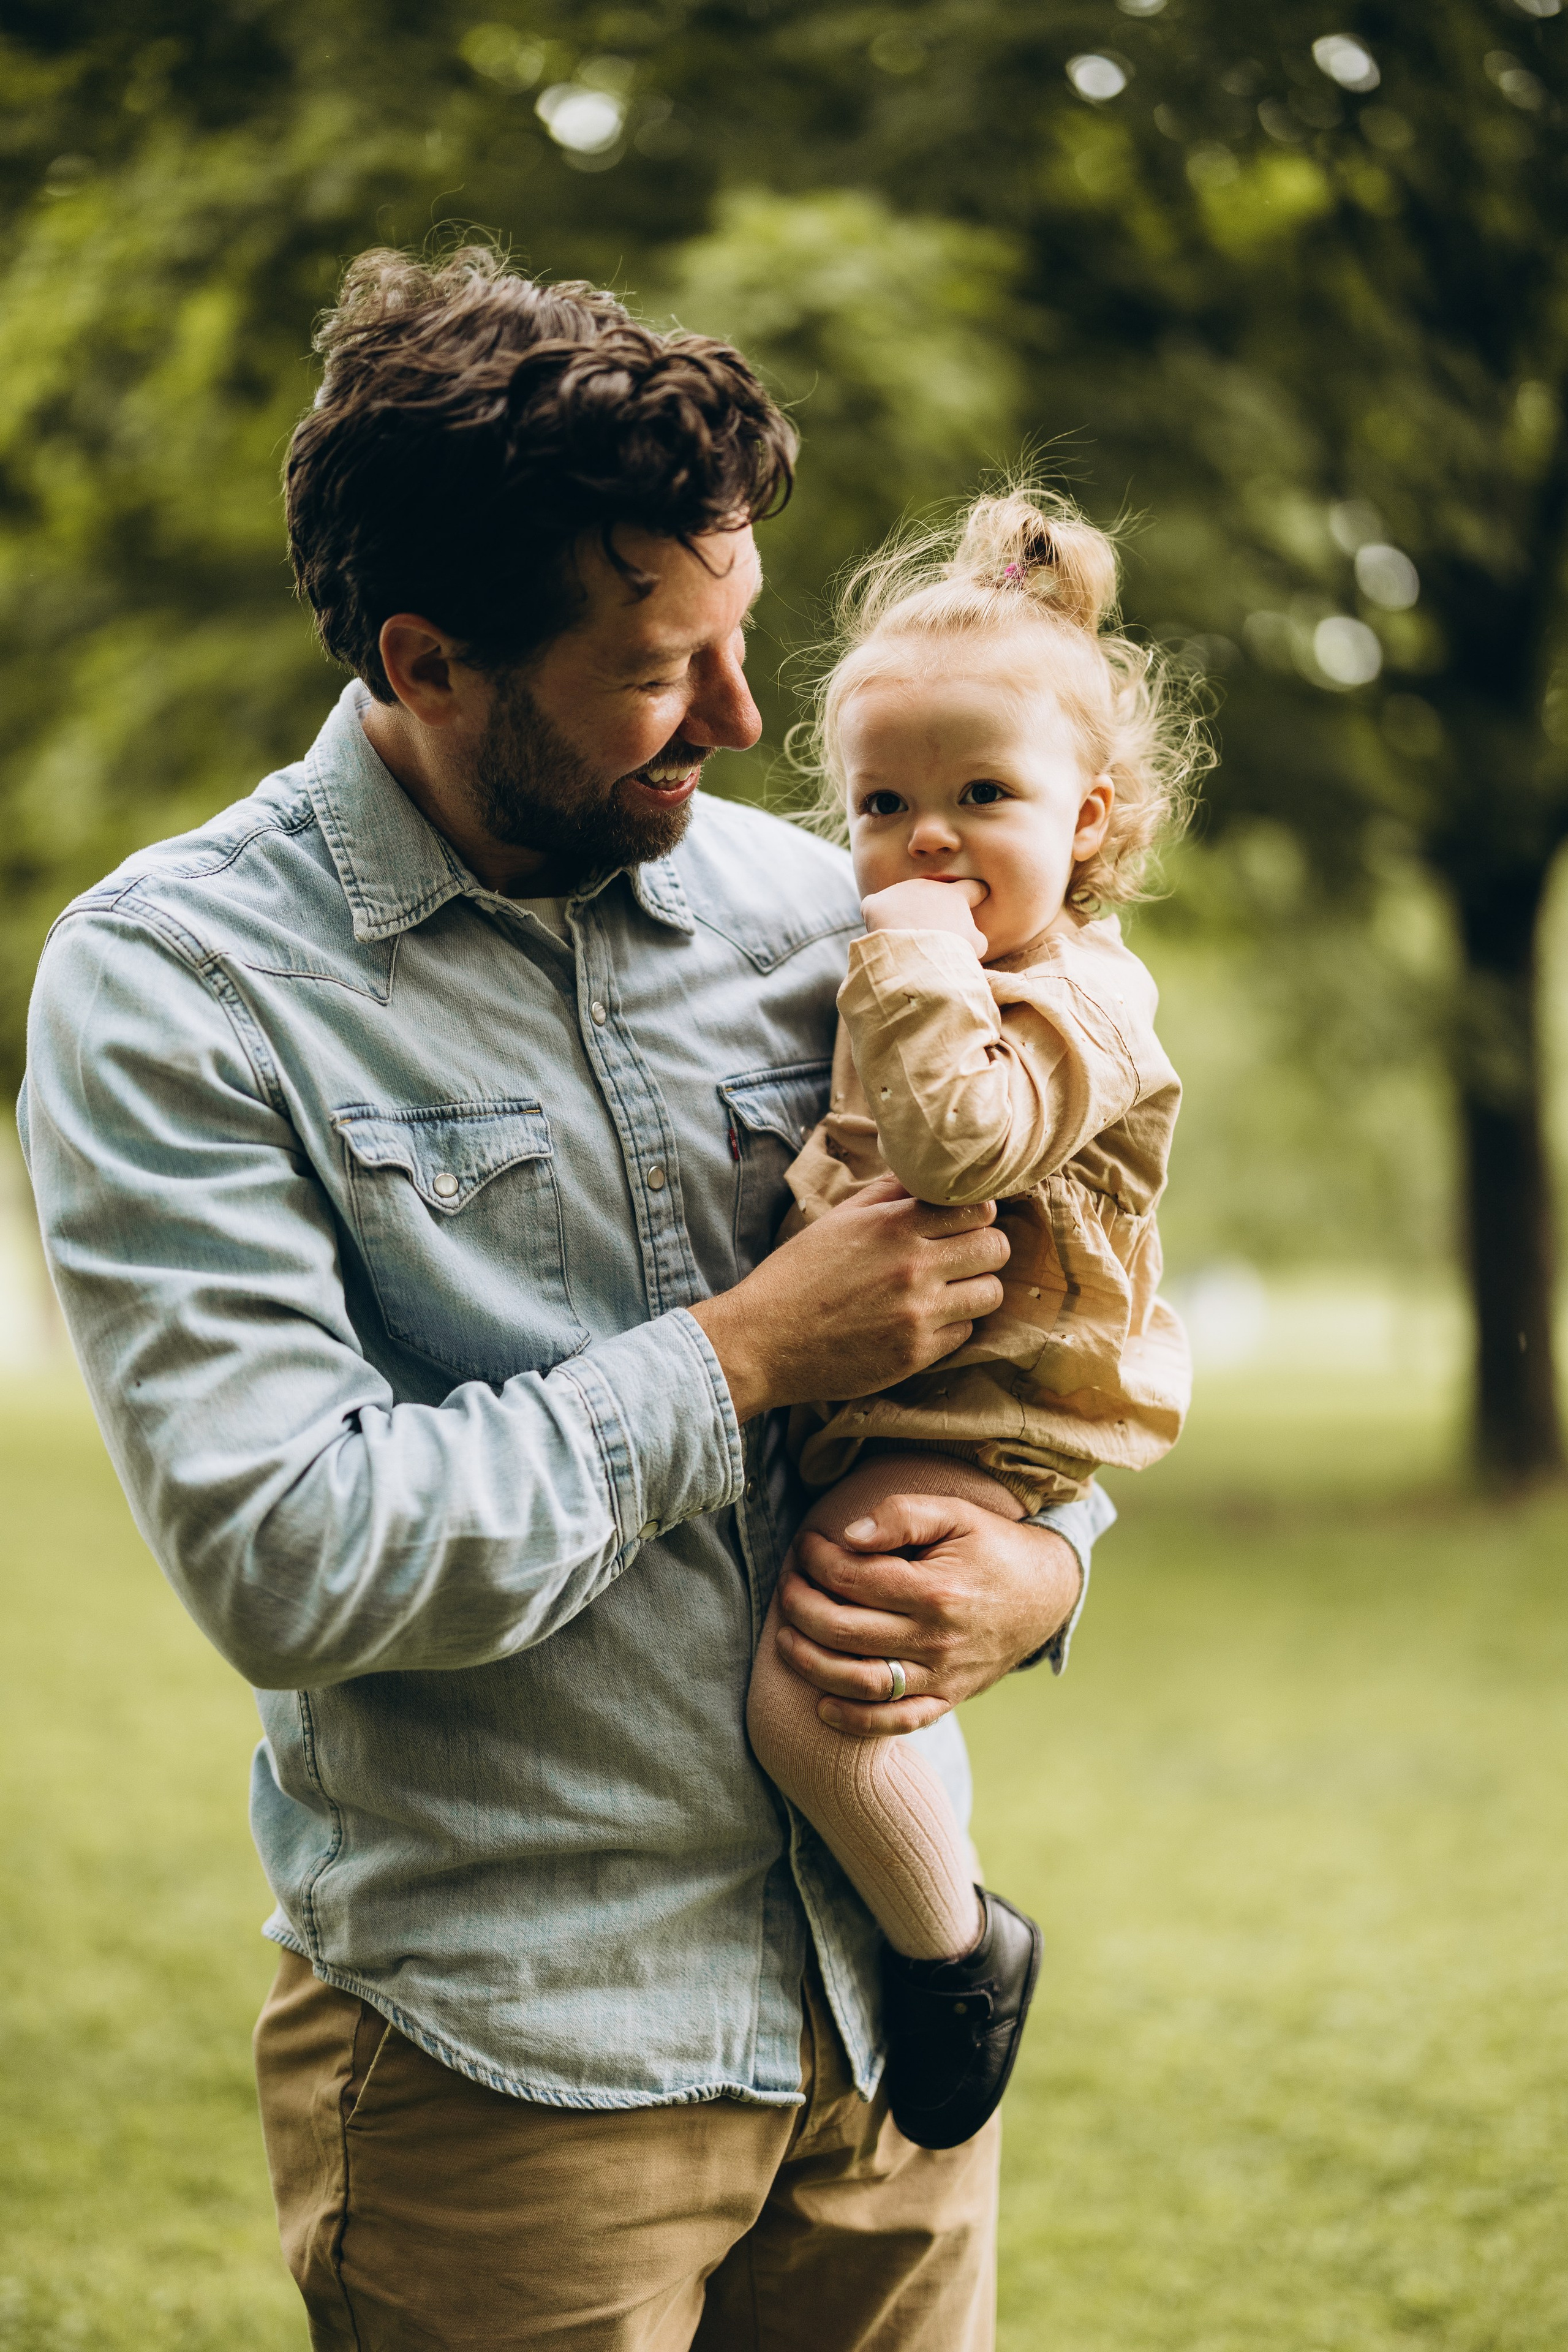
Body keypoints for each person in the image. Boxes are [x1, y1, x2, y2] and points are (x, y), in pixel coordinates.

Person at [17, 247, 1114, 2352]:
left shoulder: (835, 915)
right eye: (657, 670)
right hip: (510, 2075)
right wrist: (745, 1356)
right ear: (430, 661)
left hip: (893, 2026)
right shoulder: (178, 989)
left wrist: (1044, 1571)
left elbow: (1043, 1311)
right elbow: (285, 1553)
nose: (739, 723)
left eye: (737, 638)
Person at [745, 490, 1197, 2151]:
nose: (925, 843)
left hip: (980, 1419)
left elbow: (955, 1140)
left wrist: (916, 957)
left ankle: (955, 1952)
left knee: (820, 1689)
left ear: (1091, 819)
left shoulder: (1083, 999)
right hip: (903, 1395)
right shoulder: (932, 957)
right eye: (883, 804)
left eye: (981, 799)